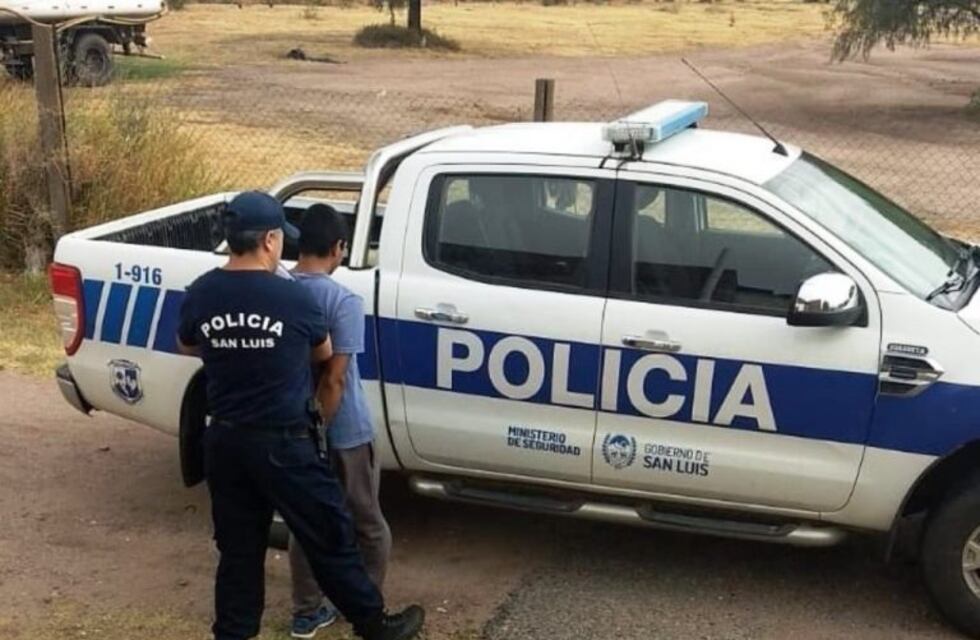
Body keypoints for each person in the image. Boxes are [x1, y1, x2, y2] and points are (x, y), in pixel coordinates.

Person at [176, 191, 424, 640]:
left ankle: (233, 634)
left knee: (238, 550)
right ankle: (375, 625)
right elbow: (323, 354)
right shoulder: (293, 300)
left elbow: (188, 344)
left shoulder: (201, 292)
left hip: (226, 442)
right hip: (284, 443)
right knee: (329, 534)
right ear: (269, 240)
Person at [287, 204, 393, 639]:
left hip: (292, 424)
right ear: (338, 248)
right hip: (345, 430)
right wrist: (322, 430)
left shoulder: (279, 290)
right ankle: (365, 607)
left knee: (305, 522)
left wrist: (304, 432)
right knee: (369, 524)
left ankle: (306, 612)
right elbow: (335, 377)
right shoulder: (343, 301)